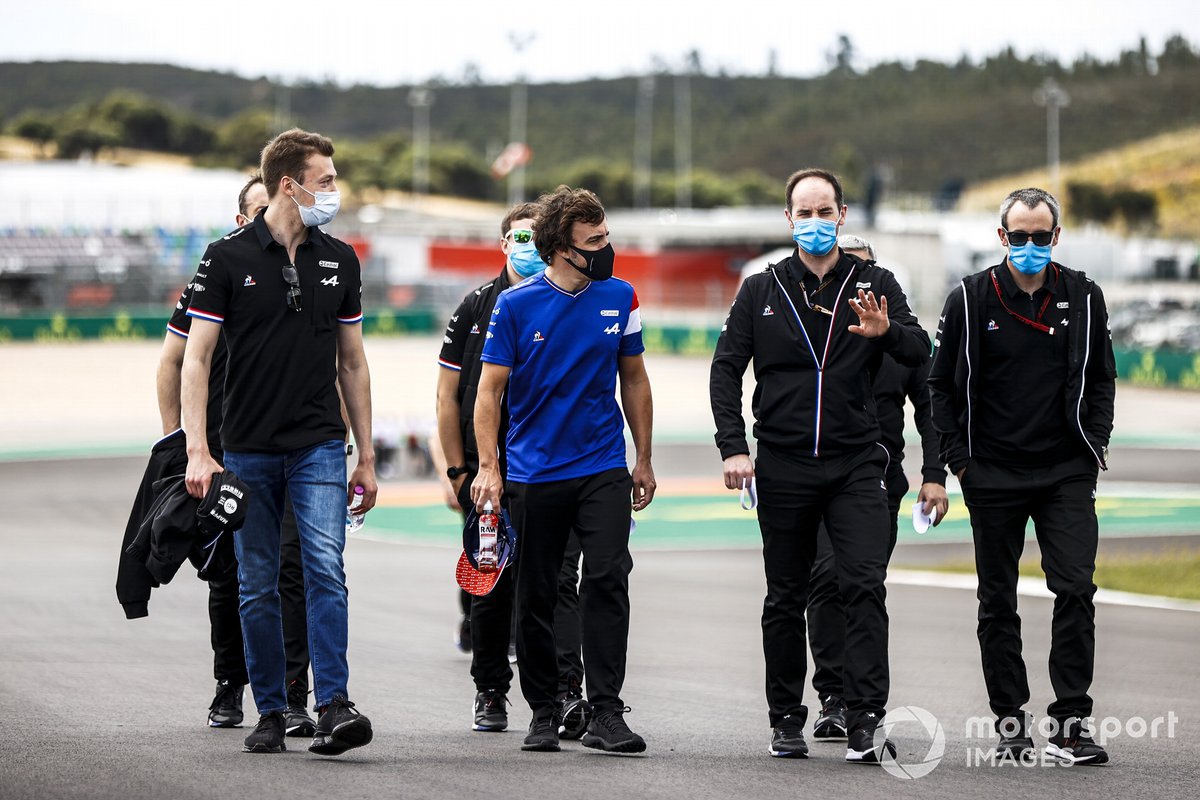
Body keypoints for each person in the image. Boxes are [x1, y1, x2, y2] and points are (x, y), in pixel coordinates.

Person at [709, 168, 929, 763]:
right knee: (785, 595)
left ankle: (864, 717)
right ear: (788, 220)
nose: (813, 223)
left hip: (857, 462)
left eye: (822, 211)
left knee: (862, 584)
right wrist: (734, 447)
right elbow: (726, 368)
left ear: (841, 214)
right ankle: (786, 716)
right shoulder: (761, 289)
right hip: (782, 464)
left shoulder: (874, 281)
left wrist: (886, 335)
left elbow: (920, 353)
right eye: (802, 214)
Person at [181, 128, 376, 757]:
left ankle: (335, 706)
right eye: (325, 180)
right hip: (246, 447)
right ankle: (270, 709)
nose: (334, 191)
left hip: (321, 442)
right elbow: (196, 360)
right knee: (257, 581)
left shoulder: (339, 258)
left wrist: (367, 455)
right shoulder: (226, 256)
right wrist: (196, 449)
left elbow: (353, 363)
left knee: (325, 569)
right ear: (288, 184)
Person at [116, 175, 316, 738]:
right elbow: (171, 363)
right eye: (258, 212)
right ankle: (231, 683)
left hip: (297, 449)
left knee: (293, 571)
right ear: (241, 219)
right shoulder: (216, 276)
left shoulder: (310, 274)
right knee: (231, 576)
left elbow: (336, 362)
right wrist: (177, 443)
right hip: (224, 451)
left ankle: (294, 697)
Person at [927, 187, 1116, 765]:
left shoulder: (1084, 296)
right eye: (1019, 236)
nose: (1030, 245)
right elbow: (939, 388)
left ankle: (1071, 723)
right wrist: (960, 463)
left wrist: (1094, 447)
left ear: (1055, 238)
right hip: (992, 473)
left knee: (1076, 588)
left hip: (1065, 471)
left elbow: (1103, 377)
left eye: (1041, 236)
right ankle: (1011, 722)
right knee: (997, 600)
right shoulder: (968, 298)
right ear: (1001, 236)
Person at [472, 186, 655, 754]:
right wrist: (488, 469)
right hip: (533, 473)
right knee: (537, 593)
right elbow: (488, 394)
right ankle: (545, 711)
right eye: (594, 241)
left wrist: (642, 457)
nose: (607, 248)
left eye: (606, 236)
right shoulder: (515, 305)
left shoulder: (621, 297)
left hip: (602, 466)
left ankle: (605, 711)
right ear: (561, 249)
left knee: (607, 579)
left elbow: (635, 380)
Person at [434, 202, 590, 736]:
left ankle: (568, 692)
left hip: (552, 469)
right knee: (491, 582)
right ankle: (490, 691)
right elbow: (448, 397)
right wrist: (461, 470)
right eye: (517, 237)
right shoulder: (475, 306)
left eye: (534, 236)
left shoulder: (571, 299)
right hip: (488, 478)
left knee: (559, 581)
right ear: (504, 244)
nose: (526, 246)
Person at [803, 234, 948, 743]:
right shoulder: (815, 339)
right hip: (817, 474)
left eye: (862, 272)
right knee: (824, 580)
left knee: (862, 585)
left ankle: (863, 701)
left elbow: (931, 410)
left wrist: (935, 476)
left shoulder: (900, 341)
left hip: (879, 481)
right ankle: (833, 697)